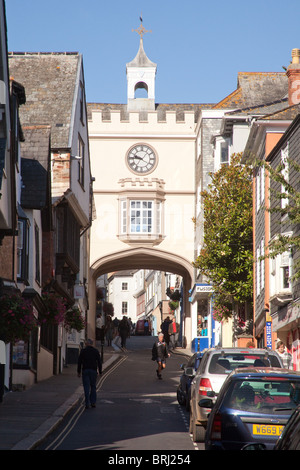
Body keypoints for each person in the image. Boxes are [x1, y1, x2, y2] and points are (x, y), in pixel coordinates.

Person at [77, 339, 102, 409]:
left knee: (86, 387)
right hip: (93, 371)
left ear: (87, 344)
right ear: (92, 344)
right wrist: (100, 372)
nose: (85, 344)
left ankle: (87, 403)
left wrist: (78, 372)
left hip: (85, 371)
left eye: (85, 343)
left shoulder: (83, 351)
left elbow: (79, 362)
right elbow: (99, 362)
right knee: (93, 387)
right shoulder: (95, 351)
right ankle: (93, 402)